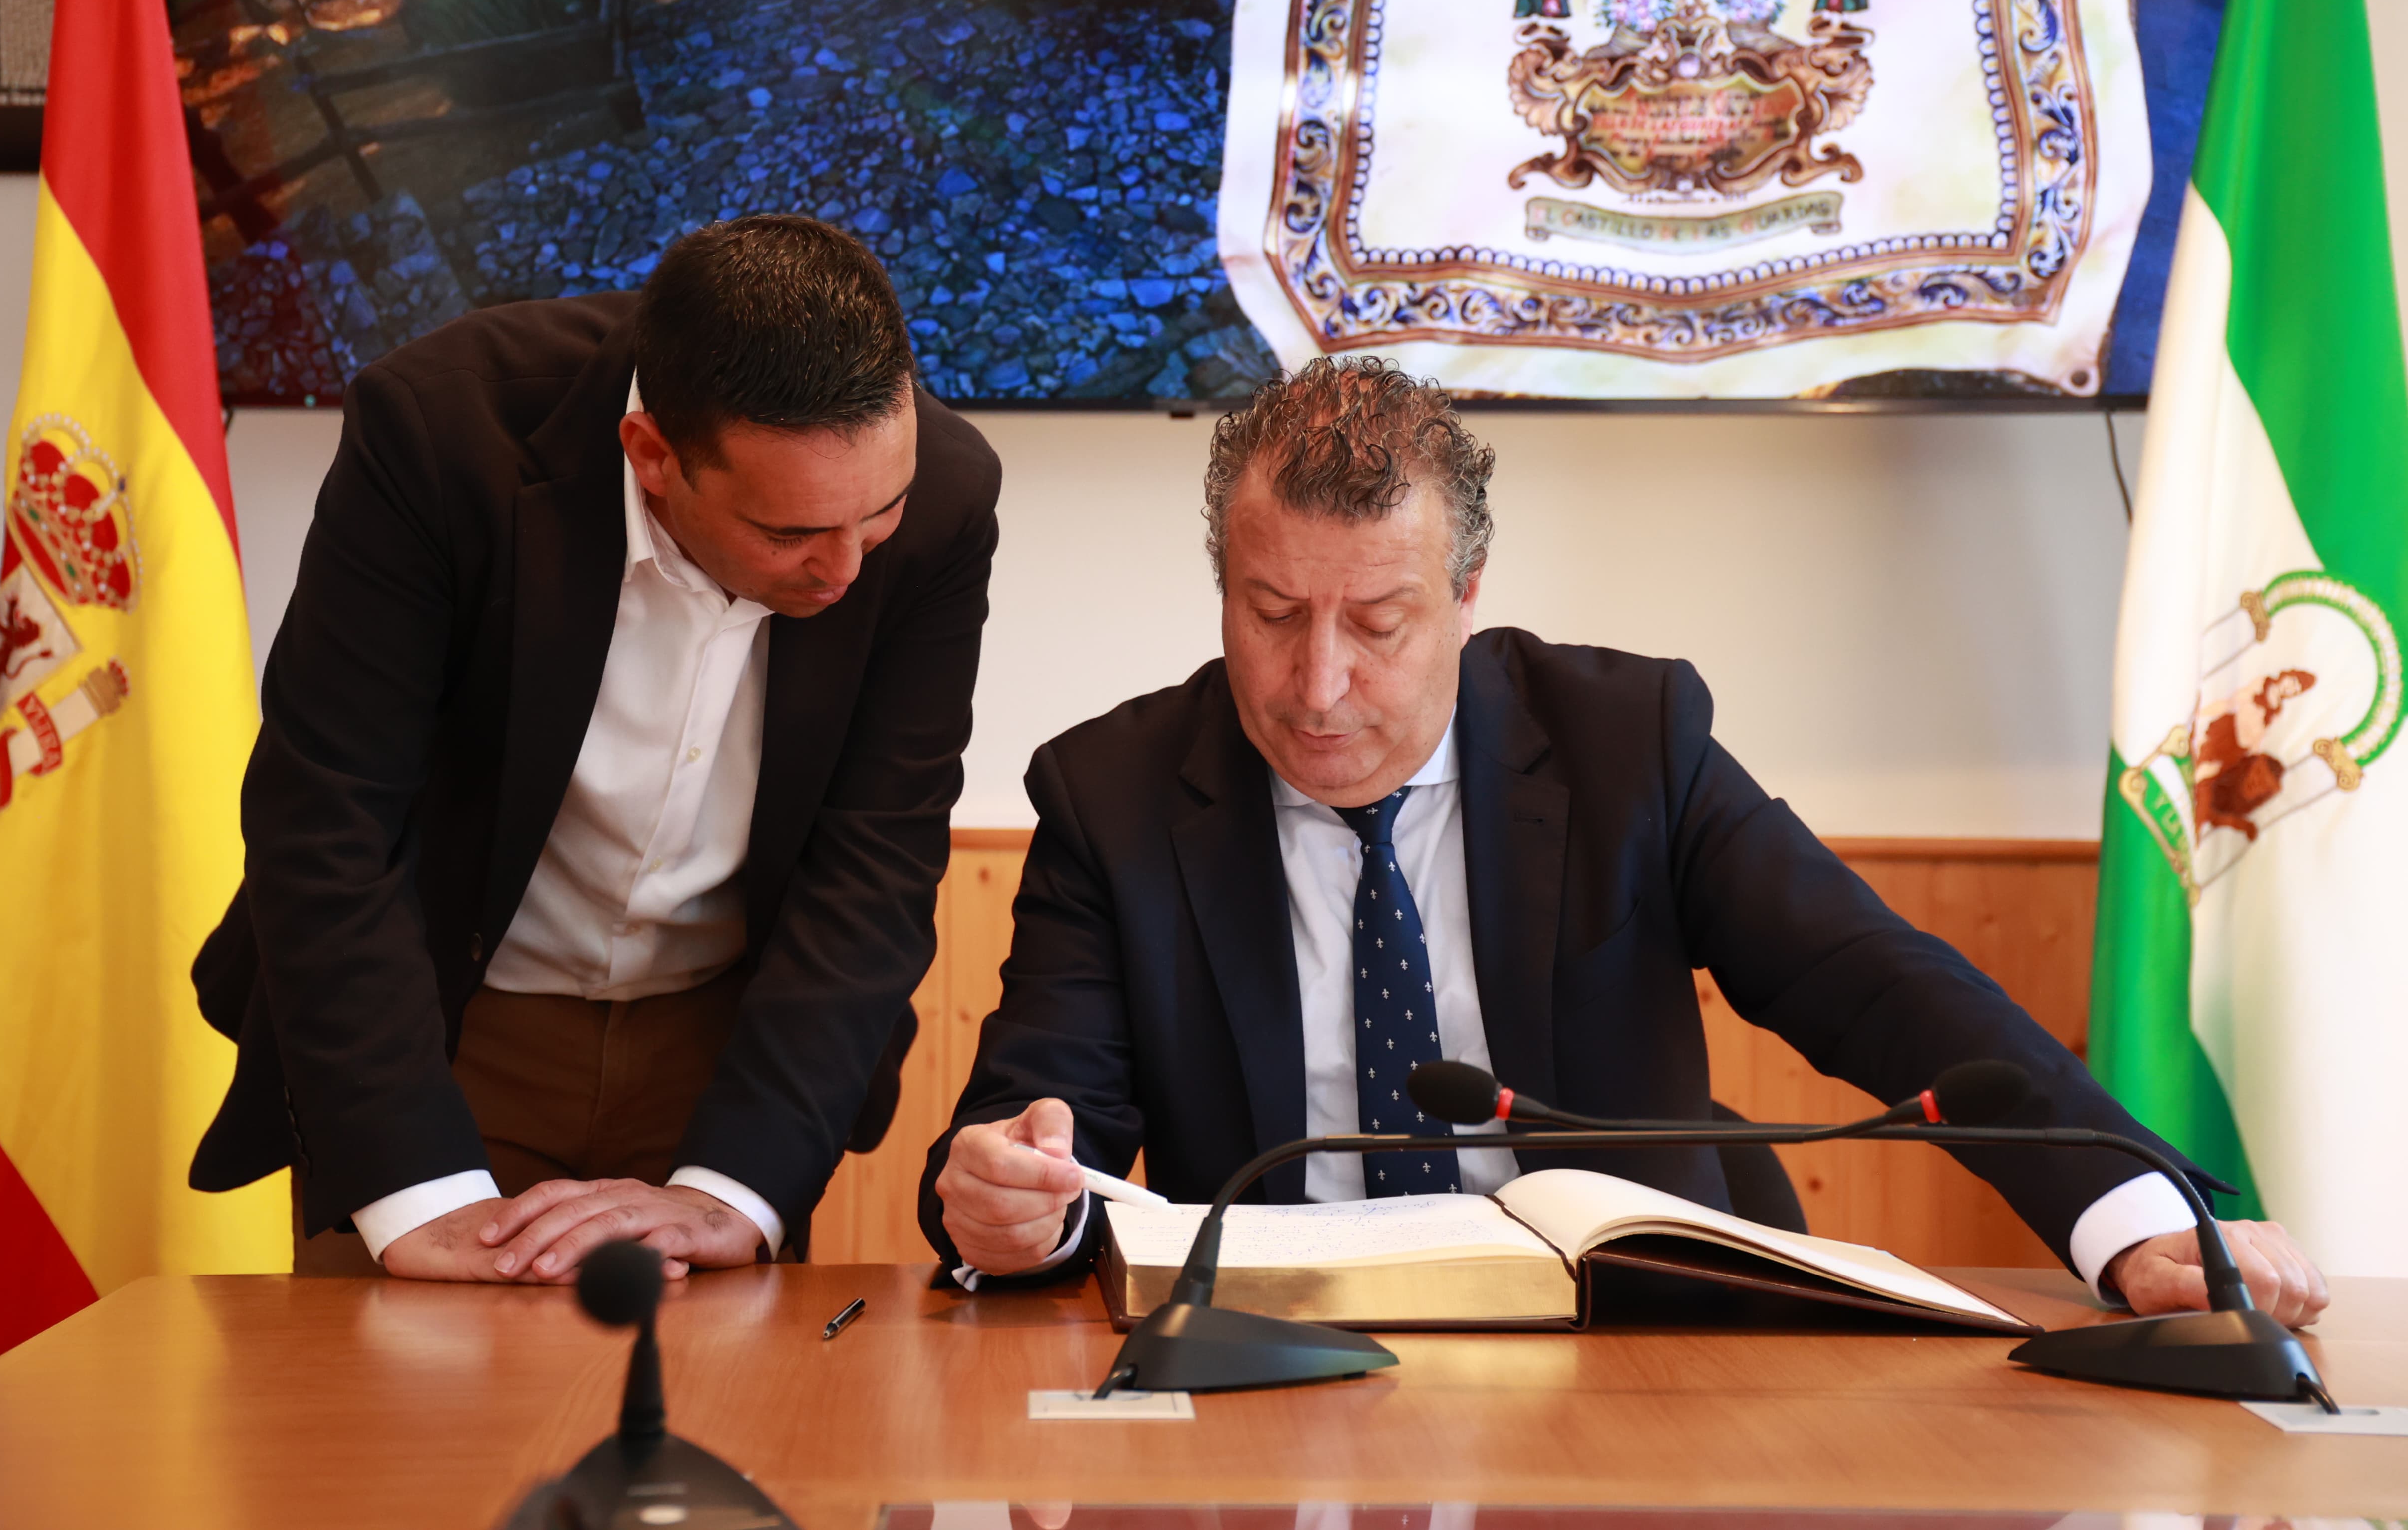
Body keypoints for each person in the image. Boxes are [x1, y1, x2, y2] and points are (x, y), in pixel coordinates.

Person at [922, 357, 2329, 1327]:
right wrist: (1012, 1204)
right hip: (1274, 1357)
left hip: (1628, 1343)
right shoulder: (1114, 793)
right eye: (1272, 612)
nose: (1318, 683)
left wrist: (2130, 1215)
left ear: (1467, 593)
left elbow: (1881, 985)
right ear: (1224, 582)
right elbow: (1039, 1128)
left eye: (1379, 622)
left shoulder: (1622, 741)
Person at [188, 214, 1001, 1284]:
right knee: (401, 1383)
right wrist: (419, 1193)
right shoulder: (440, 437)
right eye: (790, 534)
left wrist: (734, 1190)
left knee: (718, 1387)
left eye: (878, 515)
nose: (846, 570)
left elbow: (877, 861)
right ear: (653, 456)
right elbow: (327, 818)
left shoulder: (946, 496)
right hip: (437, 1025)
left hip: (729, 1051)